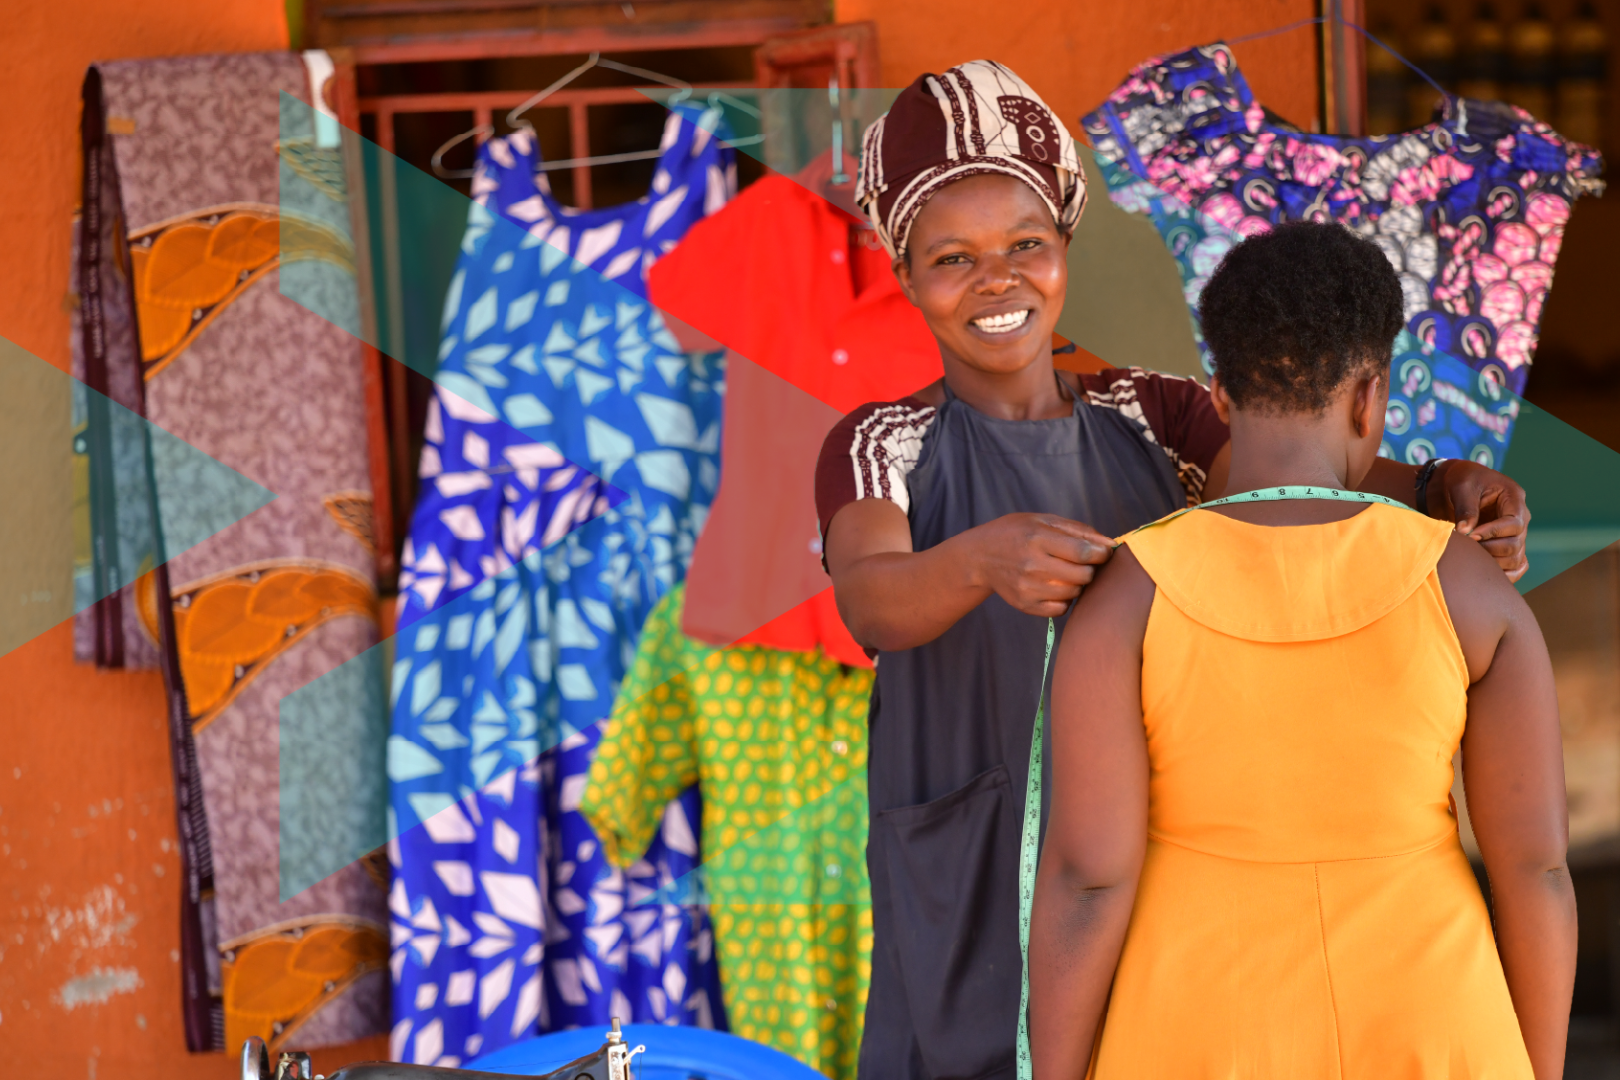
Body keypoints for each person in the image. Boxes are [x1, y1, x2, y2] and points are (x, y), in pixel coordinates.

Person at [815, 62, 1535, 1080]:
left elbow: (1306, 468)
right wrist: (982, 560)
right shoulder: (882, 442)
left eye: (1026, 244)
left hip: (1139, 851)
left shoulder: (1153, 413)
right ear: (905, 274)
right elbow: (874, 599)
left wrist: (1444, 483)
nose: (997, 279)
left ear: (1065, 243)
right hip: (969, 841)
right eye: (952, 258)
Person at [1027, 221, 1573, 1079]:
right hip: (1432, 1017)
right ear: (1371, 399)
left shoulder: (1127, 597)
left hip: (1193, 1026)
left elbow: (1089, 881)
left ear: (1217, 396)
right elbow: (1536, 872)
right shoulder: (1467, 589)